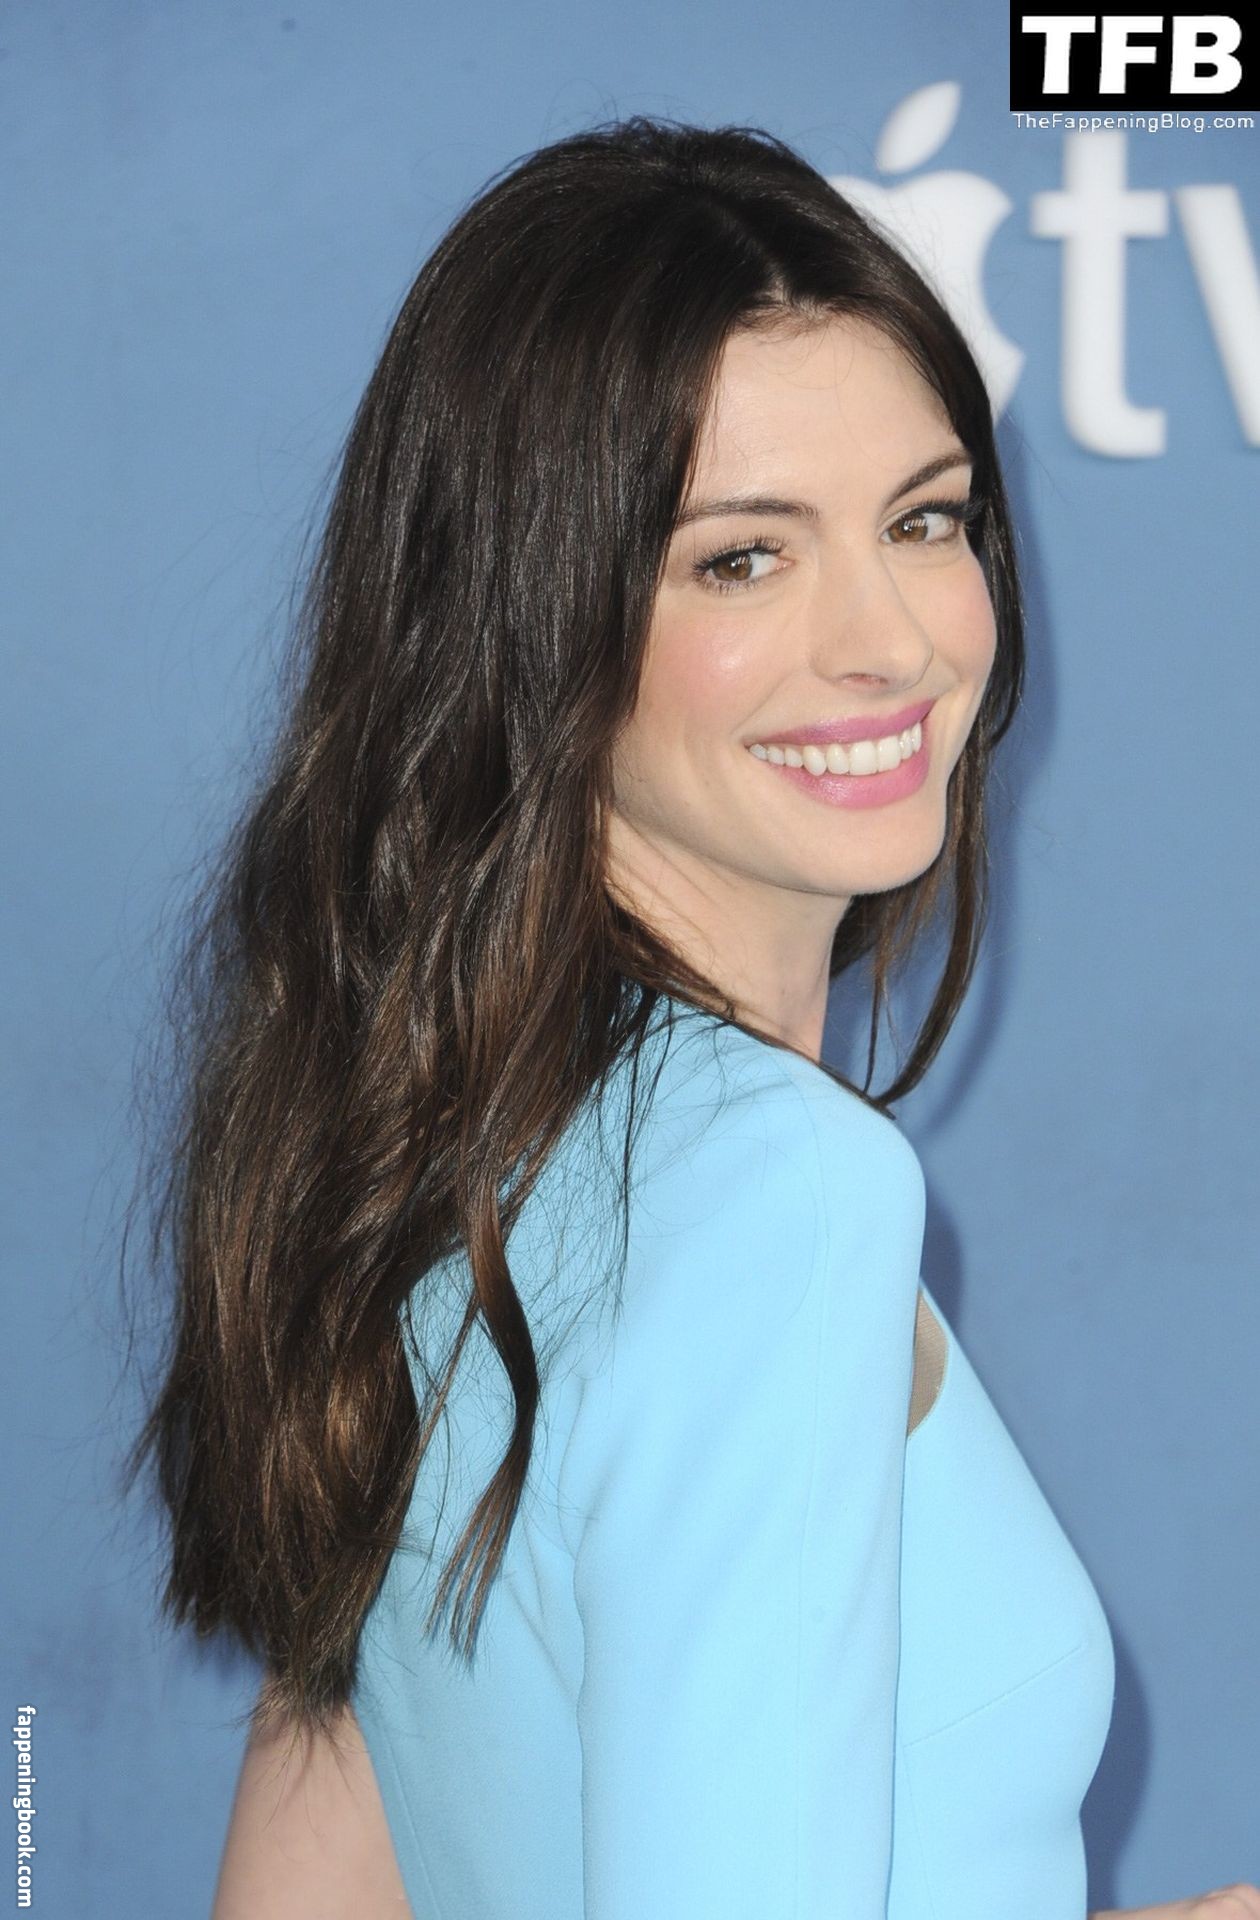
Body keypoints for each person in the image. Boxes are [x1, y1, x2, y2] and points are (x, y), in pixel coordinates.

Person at [126, 117, 1260, 1920]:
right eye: (742, 558)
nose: (891, 640)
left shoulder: (445, 1148)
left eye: (925, 520)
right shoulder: (778, 1197)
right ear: (532, 622)